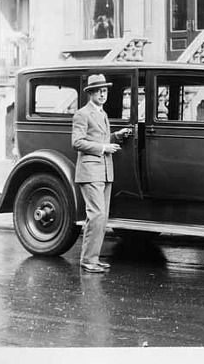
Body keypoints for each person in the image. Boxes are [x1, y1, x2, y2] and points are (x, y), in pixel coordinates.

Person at [72, 73, 132, 273]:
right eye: (98, 91)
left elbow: (102, 137)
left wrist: (116, 135)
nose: (103, 94)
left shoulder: (102, 114)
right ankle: (88, 261)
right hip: (90, 172)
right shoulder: (82, 113)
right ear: (90, 93)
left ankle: (93, 259)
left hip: (105, 171)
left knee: (101, 217)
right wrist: (104, 148)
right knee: (96, 215)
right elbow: (77, 142)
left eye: (105, 90)